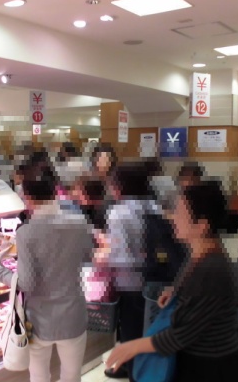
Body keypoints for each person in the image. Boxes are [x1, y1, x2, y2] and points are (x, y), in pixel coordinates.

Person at [105, 181, 238, 382]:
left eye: (180, 213)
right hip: (199, 360)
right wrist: (175, 291)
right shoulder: (199, 254)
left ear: (202, 225)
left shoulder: (212, 267)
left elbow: (182, 334)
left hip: (211, 366)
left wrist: (134, 346)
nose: (173, 218)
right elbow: (197, 297)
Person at [0, 151, 94, 382]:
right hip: (73, 315)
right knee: (72, 376)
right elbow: (86, 258)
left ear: (27, 197)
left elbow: (27, 283)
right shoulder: (80, 222)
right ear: (54, 191)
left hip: (39, 320)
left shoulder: (27, 233)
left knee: (39, 376)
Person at [99, 161, 160, 380]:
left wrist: (103, 258)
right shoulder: (154, 207)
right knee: (149, 329)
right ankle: (136, 369)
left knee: (130, 330)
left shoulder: (119, 213)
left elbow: (123, 257)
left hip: (130, 282)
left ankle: (133, 371)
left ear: (120, 186)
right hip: (156, 281)